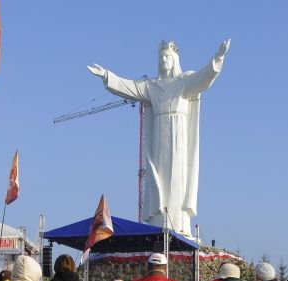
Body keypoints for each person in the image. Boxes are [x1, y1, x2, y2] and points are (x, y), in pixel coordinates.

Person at [88, 39, 230, 236]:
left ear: (174, 60)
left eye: (167, 56)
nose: (163, 59)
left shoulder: (184, 81)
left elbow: (204, 77)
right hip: (158, 136)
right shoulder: (151, 86)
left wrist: (218, 57)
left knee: (177, 178)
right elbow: (128, 87)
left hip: (179, 135)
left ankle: (179, 223)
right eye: (161, 56)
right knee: (159, 177)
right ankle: (158, 221)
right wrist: (106, 75)